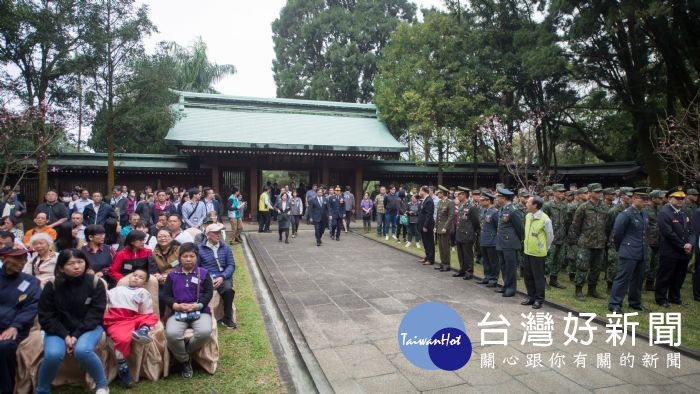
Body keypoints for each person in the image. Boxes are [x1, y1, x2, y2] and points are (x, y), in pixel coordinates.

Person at [36, 249, 109, 394]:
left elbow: (95, 314)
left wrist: (75, 335)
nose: (77, 267)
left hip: (88, 327)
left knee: (83, 350)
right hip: (58, 329)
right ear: (61, 267)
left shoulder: (95, 283)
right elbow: (46, 316)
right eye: (70, 264)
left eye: (80, 262)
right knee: (53, 354)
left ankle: (102, 385)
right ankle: (42, 389)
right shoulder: (52, 285)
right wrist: (65, 335)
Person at [163, 242, 214, 379]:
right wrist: (175, 306)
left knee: (204, 332)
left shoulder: (203, 273)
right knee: (172, 334)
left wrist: (198, 305)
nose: (188, 259)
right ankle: (185, 360)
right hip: (178, 311)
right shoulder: (172, 275)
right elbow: (166, 295)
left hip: (199, 311)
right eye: (185, 256)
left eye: (192, 256)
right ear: (180, 258)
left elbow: (209, 293)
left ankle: (180, 355)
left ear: (196, 257)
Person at [103, 267, 159, 388]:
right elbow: (104, 297)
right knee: (122, 339)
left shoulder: (143, 292)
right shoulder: (117, 289)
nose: (136, 278)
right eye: (135, 275)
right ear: (130, 277)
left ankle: (142, 331)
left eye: (140, 278)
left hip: (132, 318)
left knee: (152, 317)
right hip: (116, 320)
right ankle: (123, 369)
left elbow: (146, 312)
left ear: (144, 283)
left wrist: (142, 321)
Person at [0, 247, 41, 394]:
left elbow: (32, 307)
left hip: (14, 327)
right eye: (17, 259)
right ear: (3, 259)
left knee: (4, 347)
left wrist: (15, 326)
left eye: (24, 258)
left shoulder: (31, 282)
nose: (22, 262)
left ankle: (6, 389)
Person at [608, 188, 650, 313]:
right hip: (629, 250)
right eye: (643, 199)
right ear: (634, 198)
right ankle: (615, 303)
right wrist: (622, 247)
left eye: (647, 199)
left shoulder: (643, 213)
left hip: (641, 251)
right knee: (623, 278)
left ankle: (635, 302)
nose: (645, 202)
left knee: (638, 279)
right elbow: (617, 233)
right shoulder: (626, 214)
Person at [656, 187, 694, 307]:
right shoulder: (664, 213)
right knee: (665, 275)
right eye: (677, 198)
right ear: (669, 199)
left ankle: (675, 297)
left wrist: (690, 243)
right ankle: (661, 298)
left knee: (679, 276)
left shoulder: (683, 212)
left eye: (682, 198)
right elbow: (668, 233)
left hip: (684, 251)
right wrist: (683, 245)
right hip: (670, 250)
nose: (680, 200)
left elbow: (692, 230)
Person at [570, 183, 609, 300]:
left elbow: (607, 224)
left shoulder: (605, 207)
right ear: (590, 193)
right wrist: (582, 237)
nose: (599, 194)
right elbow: (576, 225)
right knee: (582, 266)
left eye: (600, 192)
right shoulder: (583, 207)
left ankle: (592, 290)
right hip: (586, 243)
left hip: (600, 243)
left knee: (596, 268)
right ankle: (578, 290)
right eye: (596, 192)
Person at [198, 223, 236, 328]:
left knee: (228, 290)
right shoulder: (200, 248)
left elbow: (231, 265)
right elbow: (197, 267)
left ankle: (227, 318)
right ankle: (202, 317)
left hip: (222, 276)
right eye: (215, 233)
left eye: (219, 232)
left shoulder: (225, 247)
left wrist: (222, 276)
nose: (218, 235)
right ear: (208, 235)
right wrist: (207, 277)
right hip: (207, 277)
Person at [521, 196, 554, 309]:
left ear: (535, 205)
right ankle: (531, 297)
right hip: (527, 251)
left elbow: (550, 236)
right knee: (528, 276)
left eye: (529, 202)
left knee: (538, 277)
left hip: (538, 253)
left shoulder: (545, 219)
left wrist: (544, 247)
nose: (526, 203)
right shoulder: (528, 216)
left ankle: (539, 299)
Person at [494, 187, 525, 297]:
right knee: (503, 265)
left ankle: (511, 288)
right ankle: (506, 285)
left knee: (510, 266)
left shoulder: (513, 210)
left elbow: (520, 228)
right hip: (501, 242)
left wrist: (518, 240)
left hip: (510, 243)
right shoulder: (502, 209)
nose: (496, 199)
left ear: (504, 198)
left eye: (498, 197)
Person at [148, 229, 181, 317]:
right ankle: (161, 317)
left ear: (171, 237)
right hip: (162, 281)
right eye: (160, 236)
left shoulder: (180, 249)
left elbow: (184, 265)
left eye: (166, 236)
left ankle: (177, 315)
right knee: (160, 295)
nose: (163, 238)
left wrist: (170, 275)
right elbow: (152, 269)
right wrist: (157, 275)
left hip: (179, 277)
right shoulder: (153, 253)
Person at [542, 184, 568, 289]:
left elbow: (566, 221)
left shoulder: (564, 206)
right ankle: (543, 279)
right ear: (554, 193)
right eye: (560, 192)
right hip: (550, 238)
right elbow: (543, 221)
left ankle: (554, 279)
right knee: (548, 260)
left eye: (563, 192)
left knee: (559, 259)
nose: (562, 194)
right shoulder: (547, 205)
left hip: (561, 237)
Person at [454, 187, 480, 280]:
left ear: (464, 195)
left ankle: (469, 272)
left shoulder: (472, 206)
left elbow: (476, 222)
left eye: (459, 194)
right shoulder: (461, 205)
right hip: (460, 233)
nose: (457, 196)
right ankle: (462, 270)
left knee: (467, 254)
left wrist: (473, 231)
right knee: (460, 254)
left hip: (468, 234)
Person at [478, 192, 500, 287]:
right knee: (485, 260)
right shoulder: (483, 211)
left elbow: (498, 226)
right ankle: (487, 276)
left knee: (493, 261)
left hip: (492, 240)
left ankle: (493, 278)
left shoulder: (495, 212)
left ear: (488, 201)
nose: (481, 202)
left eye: (483, 200)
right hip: (484, 239)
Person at [434, 185, 455, 273]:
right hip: (439, 227)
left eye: (440, 193)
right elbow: (438, 216)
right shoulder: (440, 202)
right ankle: (442, 263)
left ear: (443, 193)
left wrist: (445, 227)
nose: (438, 194)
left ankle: (447, 265)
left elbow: (450, 216)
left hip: (445, 228)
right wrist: (435, 226)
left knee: (446, 247)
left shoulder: (450, 202)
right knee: (441, 247)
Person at [418, 186, 436, 266]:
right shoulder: (424, 200)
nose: (419, 192)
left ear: (424, 191)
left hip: (427, 226)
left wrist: (425, 226)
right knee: (425, 242)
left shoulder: (429, 200)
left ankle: (430, 259)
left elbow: (429, 214)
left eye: (420, 191)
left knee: (429, 243)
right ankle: (427, 256)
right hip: (422, 225)